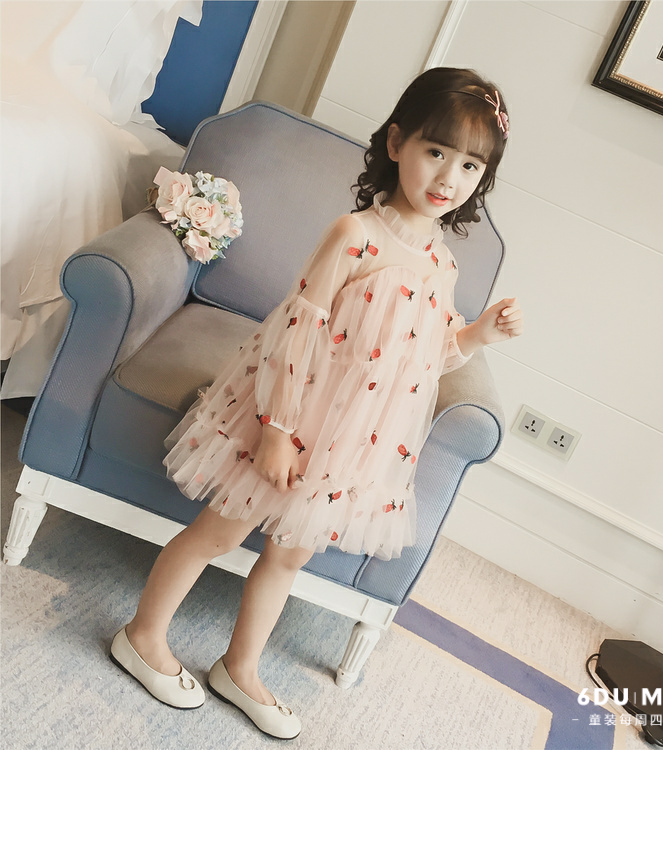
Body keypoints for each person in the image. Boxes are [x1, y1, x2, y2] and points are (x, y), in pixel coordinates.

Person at [110, 66, 524, 740]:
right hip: (291, 418)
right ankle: (143, 635)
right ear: (398, 144)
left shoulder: (443, 264)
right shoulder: (355, 234)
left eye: (471, 166)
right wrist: (275, 429)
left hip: (353, 445)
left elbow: (426, 358)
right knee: (220, 532)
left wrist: (479, 335)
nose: (449, 177)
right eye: (436, 151)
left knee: (290, 555)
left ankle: (240, 667)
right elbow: (294, 332)